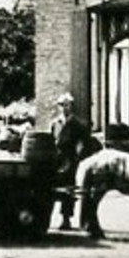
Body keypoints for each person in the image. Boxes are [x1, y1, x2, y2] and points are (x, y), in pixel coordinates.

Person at [50, 92, 95, 231]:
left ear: (71, 106)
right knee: (52, 187)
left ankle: (66, 219)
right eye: (62, 105)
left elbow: (85, 143)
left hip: (70, 159)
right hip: (56, 159)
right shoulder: (55, 123)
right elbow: (51, 140)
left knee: (68, 190)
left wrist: (78, 156)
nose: (64, 108)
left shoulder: (77, 124)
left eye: (67, 105)